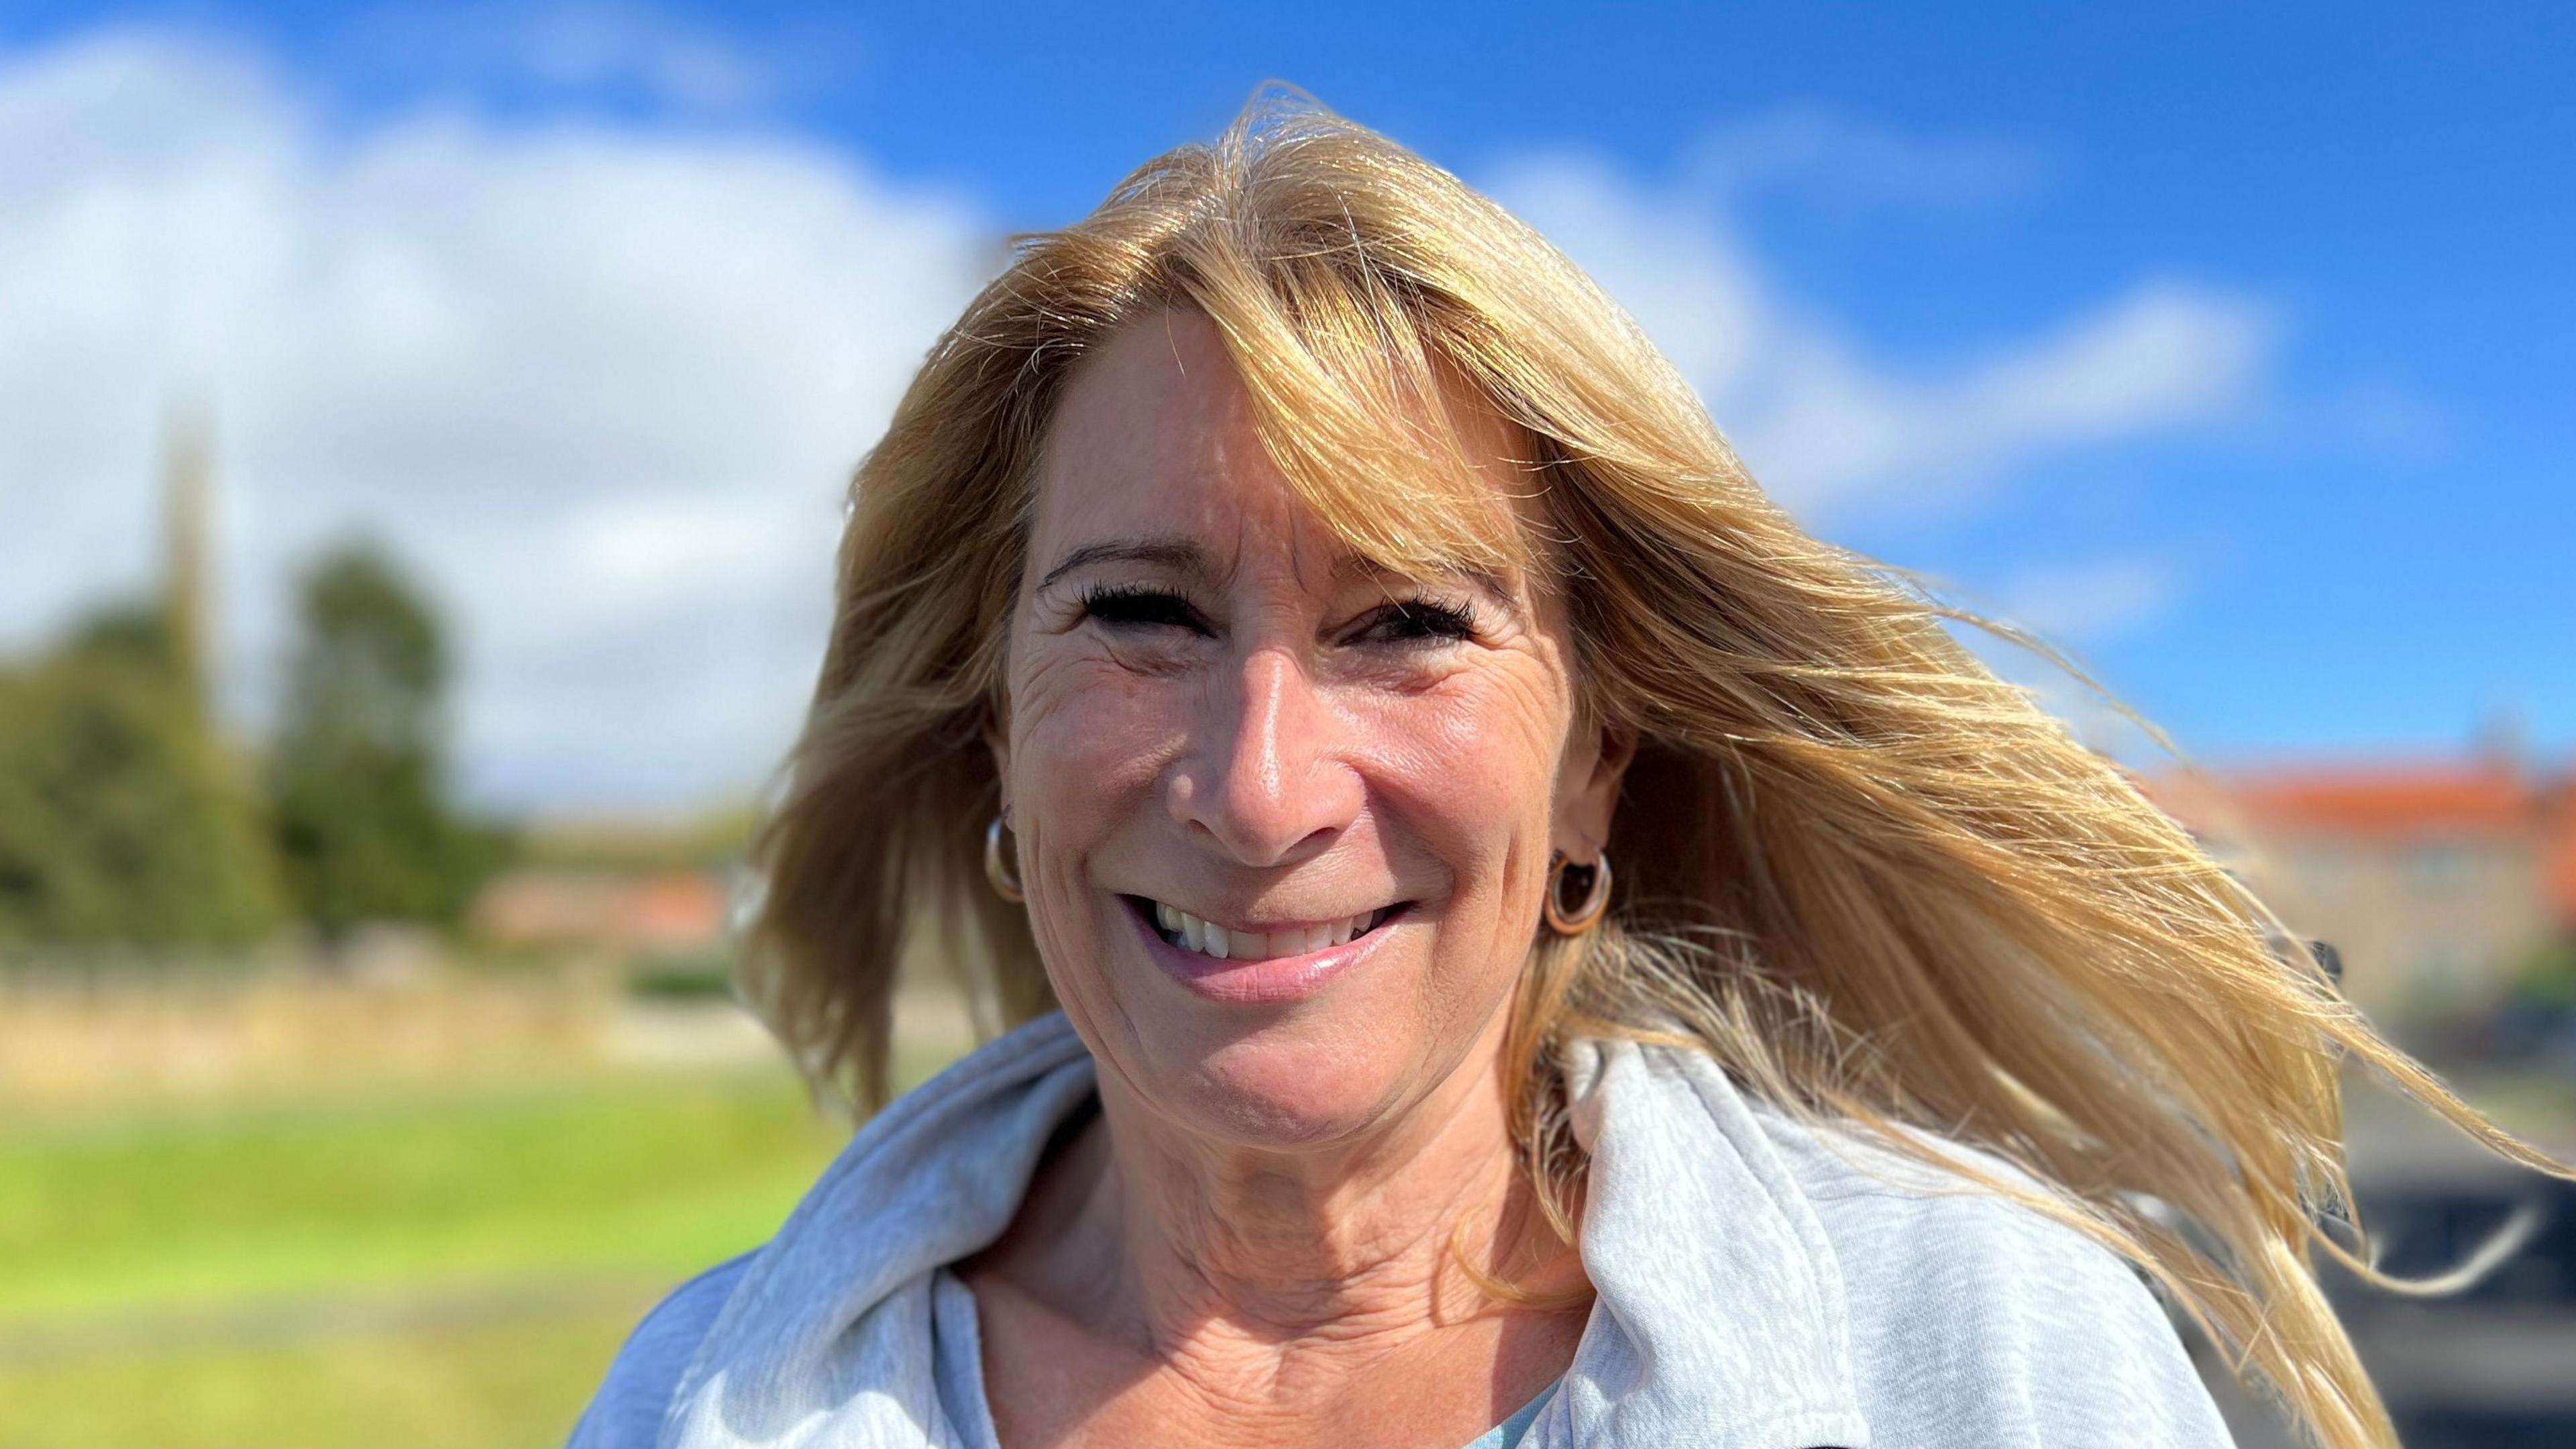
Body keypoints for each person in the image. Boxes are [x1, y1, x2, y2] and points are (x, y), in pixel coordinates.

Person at [569, 93, 2559, 1449]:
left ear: (1595, 763)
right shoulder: (707, 1398)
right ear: (993, 721)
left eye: (1407, 626)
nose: (1260, 793)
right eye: (1140, 617)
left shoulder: (1968, 1350)